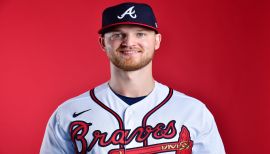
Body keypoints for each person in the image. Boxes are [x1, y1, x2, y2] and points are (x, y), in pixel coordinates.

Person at [40, 2, 225, 154]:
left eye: (140, 34)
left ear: (157, 41)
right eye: (118, 34)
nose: (129, 42)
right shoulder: (68, 114)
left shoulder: (193, 112)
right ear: (103, 43)